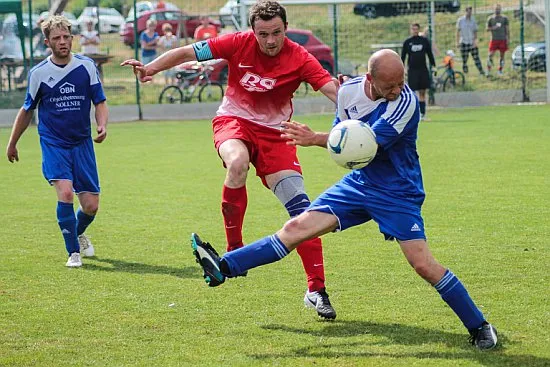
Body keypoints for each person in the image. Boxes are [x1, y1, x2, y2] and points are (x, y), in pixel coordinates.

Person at [191, 49, 498, 350]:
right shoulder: (348, 92)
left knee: (423, 264)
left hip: (397, 192)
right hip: (358, 184)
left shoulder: (405, 103)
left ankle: (480, 326)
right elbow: (345, 140)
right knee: (297, 228)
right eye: (389, 85)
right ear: (369, 78)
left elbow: (363, 145)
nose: (397, 90)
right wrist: (331, 140)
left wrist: (315, 139)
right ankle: (224, 267)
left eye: (400, 82)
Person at [121, 0, 340, 319]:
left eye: (276, 33)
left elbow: (333, 90)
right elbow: (187, 52)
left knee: (304, 214)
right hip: (233, 122)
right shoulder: (237, 43)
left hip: (277, 135)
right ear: (252, 31)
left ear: (285, 29)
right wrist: (151, 68)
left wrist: (359, 107)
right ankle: (235, 247)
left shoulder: (299, 57)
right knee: (236, 163)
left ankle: (316, 290)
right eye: (263, 34)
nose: (270, 41)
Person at [5, 15, 108, 267]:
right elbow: (27, 110)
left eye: (66, 37)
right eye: (56, 39)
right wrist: (12, 142)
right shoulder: (38, 73)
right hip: (53, 143)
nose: (62, 42)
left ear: (72, 38)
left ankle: (78, 231)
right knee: (64, 193)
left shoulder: (86, 66)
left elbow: (100, 101)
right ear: (47, 43)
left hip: (82, 142)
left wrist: (102, 123)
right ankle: (73, 252)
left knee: (91, 206)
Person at [401, 23, 435, 121]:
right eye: (413, 29)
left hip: (423, 70)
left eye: (416, 29)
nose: (415, 31)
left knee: (422, 92)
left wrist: (433, 65)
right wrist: (402, 69)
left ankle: (422, 114)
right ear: (411, 30)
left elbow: (429, 54)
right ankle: (413, 115)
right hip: (412, 70)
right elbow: (403, 57)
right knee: (412, 93)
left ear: (418, 30)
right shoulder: (407, 42)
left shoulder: (424, 41)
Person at [456, 6, 485, 76]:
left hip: (471, 42)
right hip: (463, 42)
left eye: (471, 12)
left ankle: (481, 71)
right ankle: (465, 72)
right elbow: (457, 32)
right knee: (464, 59)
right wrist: (457, 42)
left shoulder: (473, 20)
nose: (470, 13)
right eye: (468, 12)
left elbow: (475, 32)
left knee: (476, 57)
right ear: (465, 11)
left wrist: (475, 41)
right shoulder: (460, 20)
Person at [486, 4, 509, 76]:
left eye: (499, 9)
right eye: (496, 9)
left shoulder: (504, 18)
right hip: (494, 40)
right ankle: (488, 70)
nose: (497, 10)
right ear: (494, 9)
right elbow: (487, 29)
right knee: (490, 55)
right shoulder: (490, 18)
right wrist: (494, 27)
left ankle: (500, 70)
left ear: (501, 10)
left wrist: (508, 39)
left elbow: (507, 29)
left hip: (502, 39)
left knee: (502, 56)